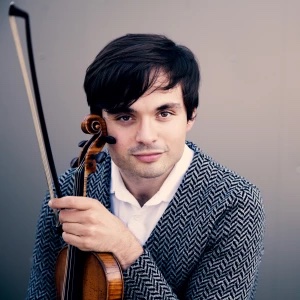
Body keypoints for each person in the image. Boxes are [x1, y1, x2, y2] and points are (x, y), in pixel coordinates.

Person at [26, 34, 265, 299]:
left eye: (164, 114)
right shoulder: (68, 192)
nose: (146, 136)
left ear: (190, 115)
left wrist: (126, 250)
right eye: (125, 116)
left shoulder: (236, 203)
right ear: (100, 123)